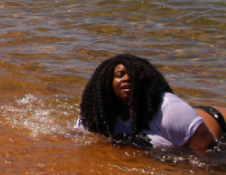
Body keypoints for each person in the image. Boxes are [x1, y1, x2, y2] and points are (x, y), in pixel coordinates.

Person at [77, 54, 223, 152]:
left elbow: (207, 153)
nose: (127, 79)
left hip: (218, 122)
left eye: (132, 75)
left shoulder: (170, 109)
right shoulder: (97, 113)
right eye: (120, 75)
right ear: (105, 84)